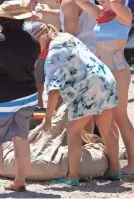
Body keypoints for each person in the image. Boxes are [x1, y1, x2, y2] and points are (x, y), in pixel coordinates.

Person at [25, 22, 120, 186]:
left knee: (72, 131)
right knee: (106, 128)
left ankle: (72, 177)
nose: (32, 48)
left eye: (33, 43)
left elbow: (54, 91)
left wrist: (47, 119)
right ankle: (114, 170)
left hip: (90, 88)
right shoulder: (64, 36)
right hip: (106, 80)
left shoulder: (53, 53)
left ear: (42, 37)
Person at [0, 2, 40, 194]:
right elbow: (34, 64)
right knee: (21, 138)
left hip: (0, 99)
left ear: (2, 19)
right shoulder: (32, 40)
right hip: (28, 96)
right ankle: (20, 181)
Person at [74, 0, 134, 174]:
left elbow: (115, 3)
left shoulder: (123, 14)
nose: (102, 5)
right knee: (106, 117)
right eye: (99, 1)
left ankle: (133, 163)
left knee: (120, 116)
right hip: (101, 71)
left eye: (104, 0)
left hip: (117, 69)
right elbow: (79, 1)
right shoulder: (102, 15)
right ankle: (114, 161)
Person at [21, 0, 61, 108]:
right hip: (39, 37)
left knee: (58, 78)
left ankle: (58, 110)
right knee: (37, 77)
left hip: (59, 35)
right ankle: (38, 107)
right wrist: (29, 12)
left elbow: (71, 12)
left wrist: (48, 11)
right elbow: (23, 13)